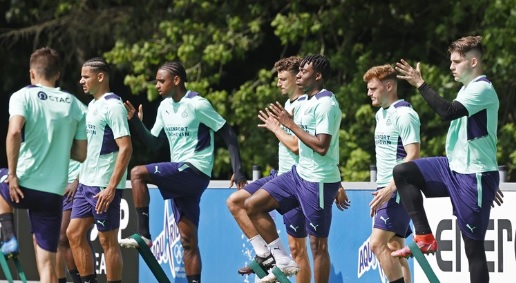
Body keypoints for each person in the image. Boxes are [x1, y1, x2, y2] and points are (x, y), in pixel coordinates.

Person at [120, 61, 247, 283]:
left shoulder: (197, 104)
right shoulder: (164, 107)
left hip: (195, 169)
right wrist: (136, 124)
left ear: (176, 80)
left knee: (137, 173)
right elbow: (154, 144)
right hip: (181, 174)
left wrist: (238, 170)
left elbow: (227, 133)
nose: (157, 85)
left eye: (161, 81)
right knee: (188, 242)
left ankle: (144, 234)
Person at [391, 35, 500, 283]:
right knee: (403, 172)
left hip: (474, 177)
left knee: (473, 250)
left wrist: (420, 84)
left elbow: (447, 112)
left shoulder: (482, 87)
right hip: (453, 169)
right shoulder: (467, 88)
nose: (451, 66)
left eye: (456, 61)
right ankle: (424, 237)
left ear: (473, 62)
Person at [244, 54, 342, 283]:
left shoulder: (327, 103)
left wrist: (289, 125)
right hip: (298, 175)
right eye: (298, 72)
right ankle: (281, 259)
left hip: (318, 182)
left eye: (304, 72)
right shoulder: (306, 102)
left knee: (318, 246)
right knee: (252, 205)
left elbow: (322, 146)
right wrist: (288, 123)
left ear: (317, 76)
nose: (298, 75)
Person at [0, 47, 87, 282]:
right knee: (47, 264)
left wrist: (14, 175)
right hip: (53, 194)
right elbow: (80, 155)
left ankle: (8, 236)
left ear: (31, 74)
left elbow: (15, 131)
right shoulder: (75, 105)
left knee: (0, 177)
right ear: (57, 74)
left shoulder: (22, 96)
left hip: (24, 185)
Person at [66, 57, 132, 283]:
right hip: (85, 184)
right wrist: (77, 179)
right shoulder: (93, 105)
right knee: (73, 234)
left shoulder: (114, 106)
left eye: (86, 76)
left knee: (107, 242)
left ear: (100, 77)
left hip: (103, 185)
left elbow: (126, 148)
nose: (81, 81)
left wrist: (111, 188)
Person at [365, 64, 419, 283]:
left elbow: (414, 155)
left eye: (373, 88)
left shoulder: (405, 114)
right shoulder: (380, 114)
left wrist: (390, 187)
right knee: (395, 247)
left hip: (398, 189)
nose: (369, 93)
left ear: (389, 86)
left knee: (376, 244)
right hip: (386, 188)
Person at [57, 160, 85, 283]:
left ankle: (80, 280)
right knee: (59, 240)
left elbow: (90, 154)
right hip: (55, 187)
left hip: (74, 187)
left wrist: (76, 181)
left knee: (66, 237)